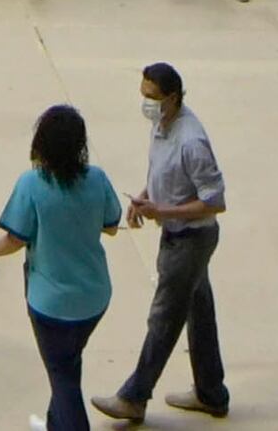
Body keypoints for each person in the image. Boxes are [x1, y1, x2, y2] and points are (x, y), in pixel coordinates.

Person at [0, 100, 124, 430]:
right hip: (95, 297)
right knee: (69, 364)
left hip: (51, 304)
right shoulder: (97, 180)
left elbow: (14, 240)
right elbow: (112, 226)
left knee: (63, 378)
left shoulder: (32, 185)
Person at [97, 63, 224, 423]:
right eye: (143, 95)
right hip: (176, 231)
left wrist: (162, 211)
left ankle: (134, 396)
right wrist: (145, 197)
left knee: (165, 317)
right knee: (199, 312)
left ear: (172, 98)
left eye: (151, 97)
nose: (145, 104)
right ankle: (211, 392)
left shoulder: (191, 141)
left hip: (191, 239)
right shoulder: (161, 123)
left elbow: (215, 201)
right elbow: (163, 173)